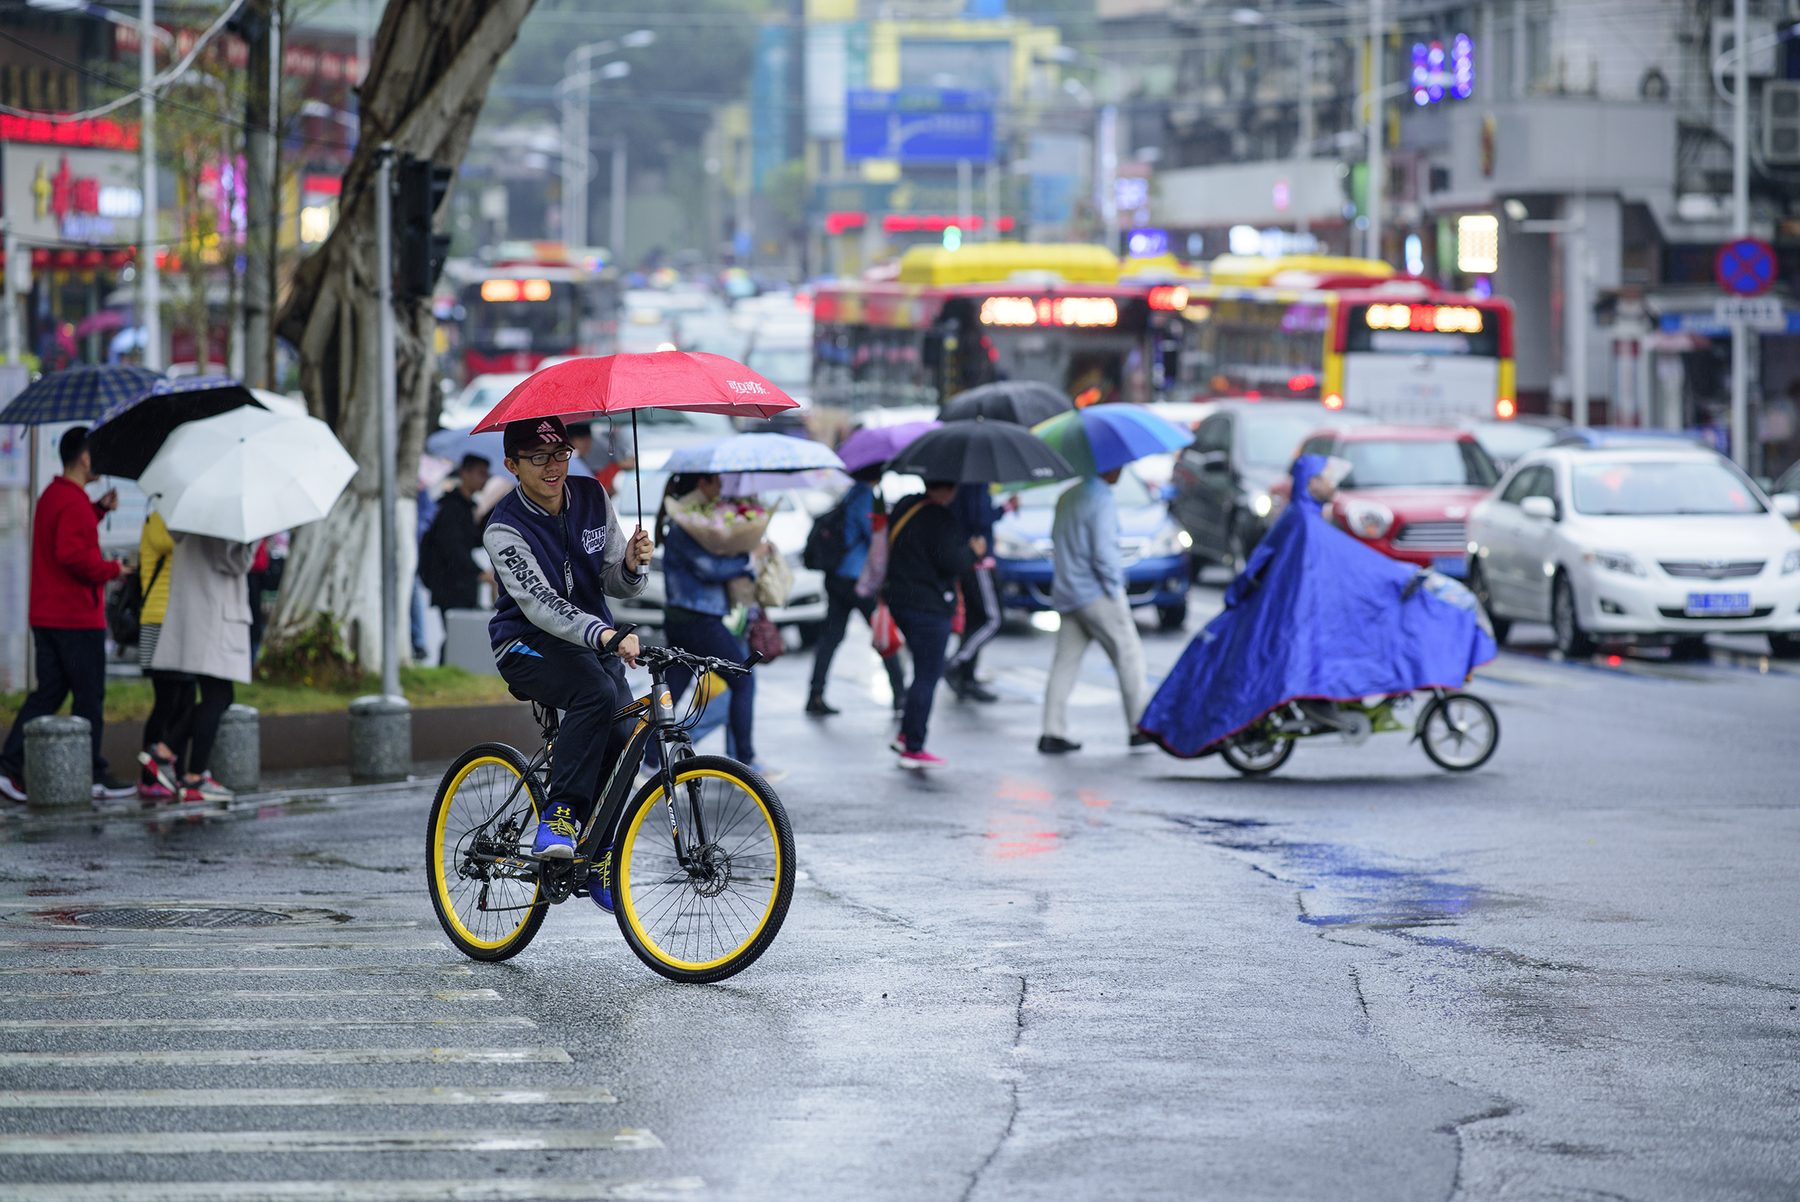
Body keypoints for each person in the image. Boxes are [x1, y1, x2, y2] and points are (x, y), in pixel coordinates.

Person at [1137, 455, 1496, 757]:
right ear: (1311, 483)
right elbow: (1343, 567)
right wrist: (1394, 576)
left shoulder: (1301, 518)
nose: (1332, 484)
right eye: (1325, 478)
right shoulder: (1304, 523)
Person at [483, 415, 653, 895]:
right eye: (538, 458)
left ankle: (597, 855)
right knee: (595, 691)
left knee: (625, 735)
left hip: (592, 641)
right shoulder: (503, 528)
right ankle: (558, 818)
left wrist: (633, 565)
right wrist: (604, 636)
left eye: (560, 453)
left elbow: (614, 582)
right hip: (526, 643)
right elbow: (540, 604)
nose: (553, 466)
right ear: (512, 464)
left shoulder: (593, 495)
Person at [0, 427, 137, 802]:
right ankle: (92, 772)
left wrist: (97, 510)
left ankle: (8, 765)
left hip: (46, 615)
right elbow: (73, 555)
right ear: (86, 458)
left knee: (48, 694)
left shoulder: (53, 496)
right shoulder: (71, 501)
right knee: (89, 697)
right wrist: (112, 569)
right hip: (75, 619)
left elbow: (66, 536)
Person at [654, 473, 774, 778]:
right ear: (701, 485)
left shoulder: (685, 522)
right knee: (743, 679)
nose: (721, 489)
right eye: (715, 482)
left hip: (686, 617)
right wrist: (750, 556)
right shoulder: (683, 525)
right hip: (697, 618)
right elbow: (709, 569)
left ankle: (647, 761)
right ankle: (745, 762)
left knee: (675, 685)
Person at [1038, 469, 1152, 755]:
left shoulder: (1067, 496)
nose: (1123, 471)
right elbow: (1104, 552)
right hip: (1097, 594)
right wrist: (1115, 588)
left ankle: (1052, 731)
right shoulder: (1101, 499)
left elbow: (1056, 541)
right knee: (1129, 657)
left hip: (1068, 592)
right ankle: (1139, 728)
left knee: (1064, 665)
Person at [882, 480, 982, 769]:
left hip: (900, 599)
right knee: (928, 674)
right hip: (928, 605)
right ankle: (914, 747)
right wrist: (973, 551)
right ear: (947, 487)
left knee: (921, 672)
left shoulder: (906, 505)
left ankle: (905, 735)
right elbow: (952, 560)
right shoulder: (939, 516)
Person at [152, 532, 256, 801]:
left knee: (217, 696)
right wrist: (253, 539)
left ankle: (166, 752)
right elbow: (234, 561)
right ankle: (192, 775)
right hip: (214, 615)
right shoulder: (221, 517)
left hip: (197, 613)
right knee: (218, 697)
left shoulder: (193, 514)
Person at [806, 464, 906, 715]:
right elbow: (875, 537)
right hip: (857, 581)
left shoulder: (851, 493)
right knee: (884, 635)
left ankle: (815, 694)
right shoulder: (865, 498)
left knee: (830, 638)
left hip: (838, 577)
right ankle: (901, 696)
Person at [134, 509, 191, 803]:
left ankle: (176, 772)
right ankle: (148, 777)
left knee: (186, 701)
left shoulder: (176, 517)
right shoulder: (158, 518)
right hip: (157, 620)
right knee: (167, 701)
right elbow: (173, 543)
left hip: (181, 619)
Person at [419, 454, 494, 661]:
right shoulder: (451, 507)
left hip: (461, 582)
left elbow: (472, 540)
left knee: (461, 632)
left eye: (487, 474)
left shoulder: (467, 506)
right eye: (480, 473)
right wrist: (479, 573)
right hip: (450, 582)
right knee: (456, 633)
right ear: (464, 473)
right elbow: (453, 548)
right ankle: (447, 668)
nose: (485, 479)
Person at [944, 483, 1001, 703]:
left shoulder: (962, 482)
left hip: (969, 559)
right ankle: (956, 663)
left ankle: (967, 677)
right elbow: (981, 517)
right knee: (992, 620)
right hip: (979, 562)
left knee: (974, 621)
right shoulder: (976, 484)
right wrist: (1004, 508)